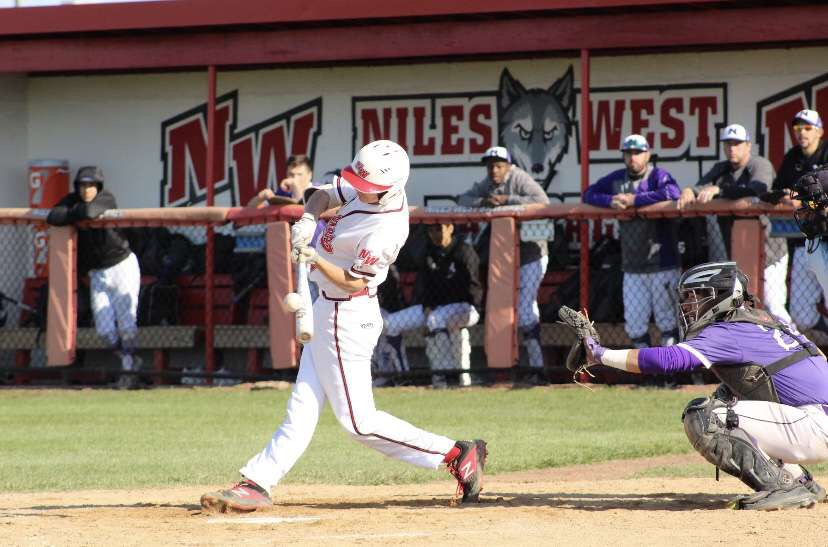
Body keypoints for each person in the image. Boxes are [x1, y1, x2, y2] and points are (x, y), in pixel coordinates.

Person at [200, 140, 487, 513]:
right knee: (302, 404)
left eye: (367, 187)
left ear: (389, 189)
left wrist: (315, 259)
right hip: (325, 308)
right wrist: (307, 219)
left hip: (347, 316)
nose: (358, 188)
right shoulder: (366, 183)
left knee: (358, 422)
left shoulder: (387, 229)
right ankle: (257, 482)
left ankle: (455, 453)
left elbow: (353, 280)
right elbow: (320, 194)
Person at [581, 261, 828, 510]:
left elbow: (669, 360)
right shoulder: (764, 321)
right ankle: (800, 480)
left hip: (814, 424)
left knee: (703, 417)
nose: (689, 305)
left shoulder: (727, 330)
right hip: (815, 420)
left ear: (720, 296)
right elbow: (818, 356)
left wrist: (601, 355)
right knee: (728, 395)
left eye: (696, 295)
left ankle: (783, 486)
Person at [677, 124, 791, 324]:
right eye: (728, 144)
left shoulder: (759, 164)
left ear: (748, 145)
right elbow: (698, 187)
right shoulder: (721, 168)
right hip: (739, 254)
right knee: (743, 309)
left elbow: (756, 189)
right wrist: (688, 190)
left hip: (770, 251)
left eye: (737, 143)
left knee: (773, 307)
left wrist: (719, 191)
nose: (732, 148)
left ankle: (797, 348)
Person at [46, 166, 142, 389]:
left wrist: (71, 214)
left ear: (98, 186)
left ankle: (129, 369)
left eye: (91, 185)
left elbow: (89, 212)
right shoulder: (72, 200)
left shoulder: (106, 198)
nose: (87, 189)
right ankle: (129, 359)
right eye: (82, 185)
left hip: (122, 266)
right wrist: (72, 212)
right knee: (105, 330)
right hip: (98, 273)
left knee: (126, 322)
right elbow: (53, 216)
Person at [458, 146, 550, 377]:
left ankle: (538, 368)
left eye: (499, 165)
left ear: (508, 166)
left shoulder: (519, 178)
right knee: (506, 311)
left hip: (532, 254)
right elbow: (463, 199)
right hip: (506, 259)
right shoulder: (488, 184)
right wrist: (484, 202)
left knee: (526, 313)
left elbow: (543, 201)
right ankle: (525, 368)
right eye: (490, 166)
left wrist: (509, 199)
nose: (494, 170)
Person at [583, 134, 681, 349]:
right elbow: (588, 194)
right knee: (635, 325)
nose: (633, 158)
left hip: (662, 262)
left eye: (637, 153)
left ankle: (670, 375)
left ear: (647, 154)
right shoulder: (618, 179)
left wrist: (635, 200)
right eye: (628, 153)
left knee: (668, 322)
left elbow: (673, 192)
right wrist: (610, 200)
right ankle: (647, 375)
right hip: (632, 265)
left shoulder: (657, 175)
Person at [382, 222, 483, 388]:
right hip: (434, 309)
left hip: (465, 307)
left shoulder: (464, 251)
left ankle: (445, 376)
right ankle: (403, 376)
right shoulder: (430, 252)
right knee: (390, 324)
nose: (434, 234)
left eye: (439, 229)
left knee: (436, 320)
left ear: (450, 228)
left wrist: (471, 309)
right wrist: (428, 306)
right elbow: (425, 287)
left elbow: (474, 288)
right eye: (430, 230)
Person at [771, 110, 828, 333]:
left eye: (807, 128)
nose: (802, 133)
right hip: (807, 240)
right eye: (798, 128)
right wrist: (785, 195)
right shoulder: (793, 156)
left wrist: (805, 198)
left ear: (820, 131)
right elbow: (776, 189)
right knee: (802, 318)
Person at [247, 154, 314, 207]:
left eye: (299, 174)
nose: (294, 179)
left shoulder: (318, 191)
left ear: (310, 175)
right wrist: (261, 197)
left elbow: (302, 210)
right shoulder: (284, 193)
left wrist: (294, 185)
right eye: (291, 174)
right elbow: (249, 209)